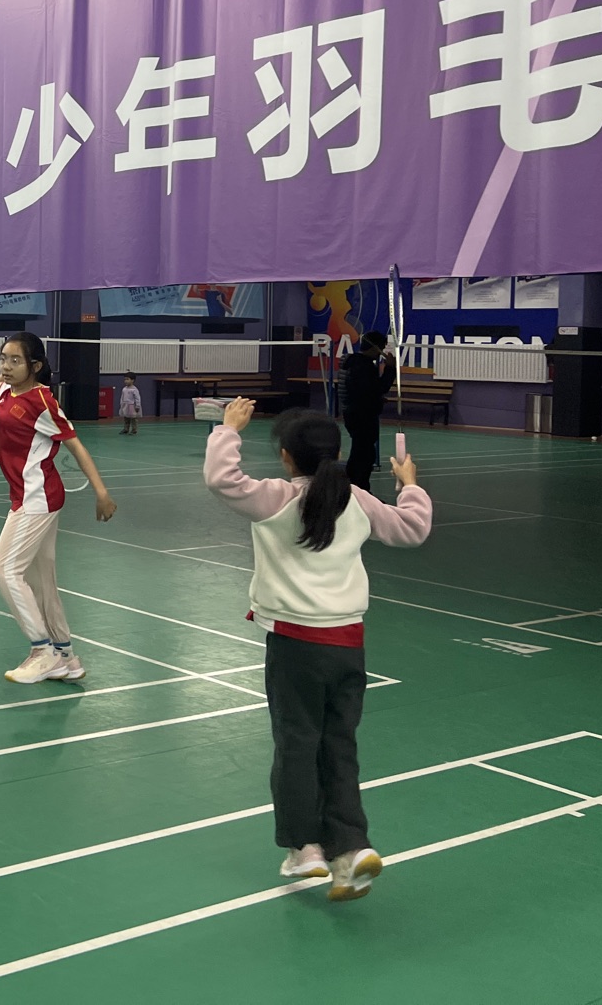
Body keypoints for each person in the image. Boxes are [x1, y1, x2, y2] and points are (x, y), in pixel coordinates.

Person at [205, 400, 431, 902]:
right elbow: (413, 528)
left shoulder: (275, 497)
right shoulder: (357, 499)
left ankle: (304, 847)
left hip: (295, 646)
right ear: (338, 452)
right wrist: (410, 485)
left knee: (297, 744)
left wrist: (228, 429)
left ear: (286, 457)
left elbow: (222, 479)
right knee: (338, 747)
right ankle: (350, 849)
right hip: (349, 645)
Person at [0, 332, 117, 684]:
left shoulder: (42, 403)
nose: (6, 366)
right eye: (3, 359)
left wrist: (101, 492)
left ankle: (43, 652)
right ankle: (67, 658)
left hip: (37, 498)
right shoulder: (7, 391)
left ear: (36, 366)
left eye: (16, 360)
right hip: (26, 496)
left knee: (3, 569)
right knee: (42, 583)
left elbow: (76, 446)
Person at [340, 331, 396, 491]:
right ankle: (360, 489)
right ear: (375, 348)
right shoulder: (363, 366)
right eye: (382, 348)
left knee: (360, 452)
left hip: (352, 412)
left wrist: (376, 399)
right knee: (364, 455)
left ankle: (355, 488)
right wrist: (390, 369)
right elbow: (378, 388)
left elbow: (363, 391)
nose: (382, 352)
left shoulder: (351, 362)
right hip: (362, 416)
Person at [119, 371, 143, 436]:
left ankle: (134, 430)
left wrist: (137, 406)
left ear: (132, 380)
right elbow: (122, 397)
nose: (126, 381)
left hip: (132, 406)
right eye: (125, 379)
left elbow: (137, 398)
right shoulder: (124, 389)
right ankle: (126, 429)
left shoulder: (134, 390)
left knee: (133, 419)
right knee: (126, 418)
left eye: (127, 379)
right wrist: (121, 404)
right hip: (125, 405)